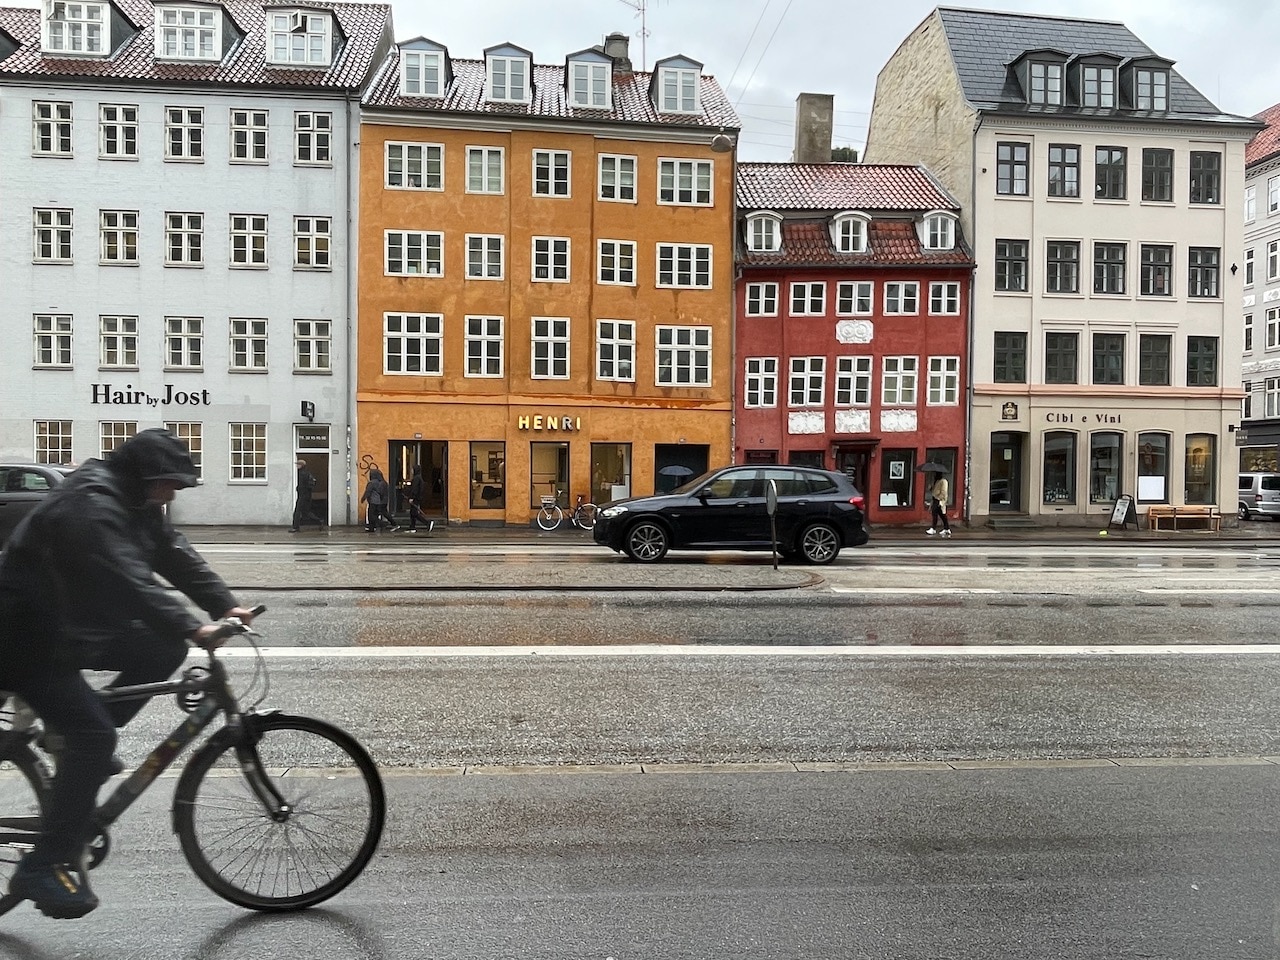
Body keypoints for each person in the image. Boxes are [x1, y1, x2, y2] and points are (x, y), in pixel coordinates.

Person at [0, 428, 256, 919]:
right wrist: (194, 627)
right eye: (169, 483)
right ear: (144, 477)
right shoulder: (92, 505)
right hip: (24, 636)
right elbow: (128, 577)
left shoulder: (135, 501)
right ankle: (42, 864)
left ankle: (75, 741)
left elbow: (174, 553)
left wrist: (227, 606)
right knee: (93, 739)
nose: (173, 493)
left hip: (66, 625)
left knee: (161, 646)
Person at [360, 467, 398, 532]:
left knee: (371, 516)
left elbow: (368, 492)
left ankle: (380, 524)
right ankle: (372, 527)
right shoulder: (382, 482)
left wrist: (363, 498)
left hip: (373, 501)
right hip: (380, 501)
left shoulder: (371, 483)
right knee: (377, 514)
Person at [288, 459, 322, 532]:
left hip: (303, 495)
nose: (296, 466)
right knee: (306, 512)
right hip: (305, 495)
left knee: (297, 511)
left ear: (301, 465)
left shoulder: (302, 473)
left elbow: (304, 485)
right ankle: (319, 521)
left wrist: (300, 489)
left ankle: (295, 527)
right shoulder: (305, 473)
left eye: (298, 464)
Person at [404, 464, 433, 533]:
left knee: (414, 513)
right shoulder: (419, 478)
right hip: (417, 498)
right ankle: (412, 527)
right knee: (412, 513)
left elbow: (415, 489)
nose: (411, 471)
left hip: (415, 498)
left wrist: (412, 497)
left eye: (412, 469)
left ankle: (427, 523)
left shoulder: (416, 478)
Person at [926, 473, 953, 538]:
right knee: (942, 515)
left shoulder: (943, 481)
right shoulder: (937, 481)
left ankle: (933, 528)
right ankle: (947, 528)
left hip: (939, 500)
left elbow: (943, 492)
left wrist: (940, 500)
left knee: (935, 513)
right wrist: (931, 487)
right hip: (935, 499)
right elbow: (934, 490)